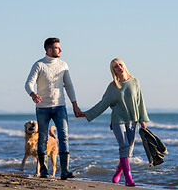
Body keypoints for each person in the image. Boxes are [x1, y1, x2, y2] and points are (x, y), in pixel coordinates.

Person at [79, 58, 149, 187]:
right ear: (113, 71)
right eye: (116, 67)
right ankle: (128, 178)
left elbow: (140, 102)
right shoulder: (113, 86)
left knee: (128, 151)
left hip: (133, 121)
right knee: (124, 147)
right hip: (118, 121)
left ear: (124, 66)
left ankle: (117, 172)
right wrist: (86, 114)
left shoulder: (134, 82)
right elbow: (103, 103)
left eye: (120, 65)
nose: (119, 68)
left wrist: (143, 120)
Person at [25, 37, 83, 180]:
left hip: (60, 107)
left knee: (64, 137)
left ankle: (65, 170)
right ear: (49, 50)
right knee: (43, 138)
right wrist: (32, 94)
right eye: (58, 48)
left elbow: (69, 86)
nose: (61, 50)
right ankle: (44, 171)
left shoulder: (63, 65)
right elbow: (28, 83)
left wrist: (75, 105)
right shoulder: (39, 65)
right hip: (42, 108)